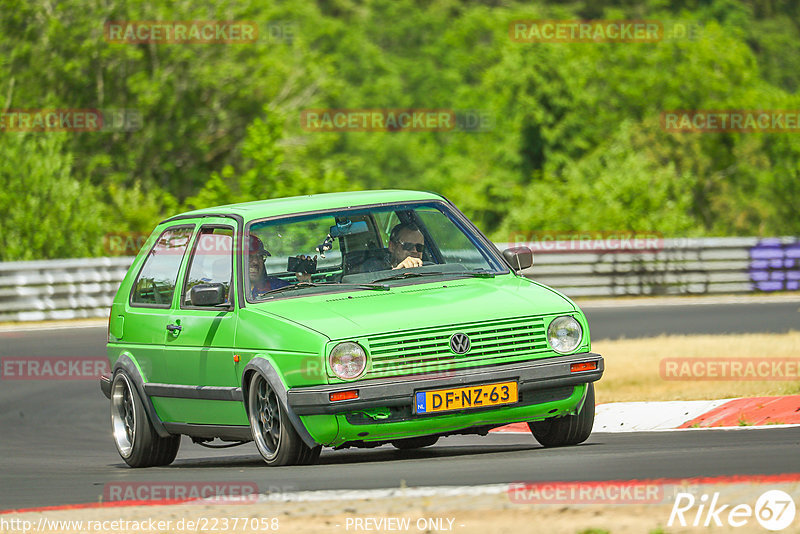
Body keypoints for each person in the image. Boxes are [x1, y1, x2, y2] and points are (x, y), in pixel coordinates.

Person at [247, 235, 314, 298]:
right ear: (237, 260)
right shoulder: (236, 291)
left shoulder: (276, 285)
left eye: (260, 256)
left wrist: (305, 282)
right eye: (249, 257)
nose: (255, 262)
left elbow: (301, 300)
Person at [355, 222, 426, 273]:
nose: (415, 251)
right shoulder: (373, 267)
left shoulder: (430, 270)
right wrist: (398, 271)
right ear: (392, 246)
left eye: (419, 247)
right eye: (408, 246)